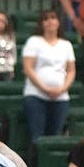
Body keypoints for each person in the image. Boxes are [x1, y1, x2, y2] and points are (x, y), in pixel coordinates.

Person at [21, 9, 76, 145]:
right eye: (46, 19)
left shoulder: (66, 45)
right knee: (37, 137)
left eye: (53, 18)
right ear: (41, 24)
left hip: (60, 97)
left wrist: (62, 89)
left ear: (58, 22)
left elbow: (71, 71)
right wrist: (44, 88)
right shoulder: (33, 41)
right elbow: (28, 68)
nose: (50, 21)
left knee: (55, 137)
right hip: (36, 95)